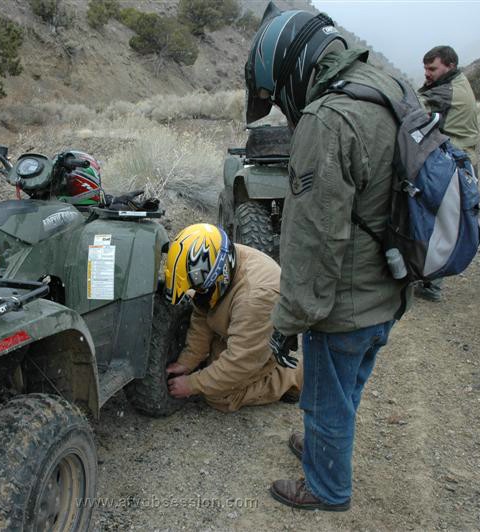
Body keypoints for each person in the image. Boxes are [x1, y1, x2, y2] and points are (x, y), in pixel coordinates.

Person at [244, 2, 408, 511]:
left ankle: (327, 487)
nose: (281, 106)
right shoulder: (387, 85)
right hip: (389, 283)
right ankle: (323, 447)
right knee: (347, 388)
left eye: (276, 93)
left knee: (328, 398)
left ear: (294, 67)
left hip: (347, 300)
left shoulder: (326, 120)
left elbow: (314, 240)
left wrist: (287, 321)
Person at [162, 223, 301, 412]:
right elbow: (202, 315)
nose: (196, 294)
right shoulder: (217, 259)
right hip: (239, 326)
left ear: (220, 276)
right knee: (213, 372)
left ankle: (293, 376)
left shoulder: (255, 298)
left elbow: (241, 362)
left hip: (258, 340)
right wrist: (187, 361)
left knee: (219, 395)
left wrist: (192, 384)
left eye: (199, 290)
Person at [416, 45, 480, 302]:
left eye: (432, 68)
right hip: (462, 160)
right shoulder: (458, 80)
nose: (428, 73)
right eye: (425, 68)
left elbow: (413, 107)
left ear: (449, 66)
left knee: (437, 216)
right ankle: (429, 277)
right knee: (445, 217)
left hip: (452, 163)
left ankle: (431, 281)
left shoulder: (448, 91)